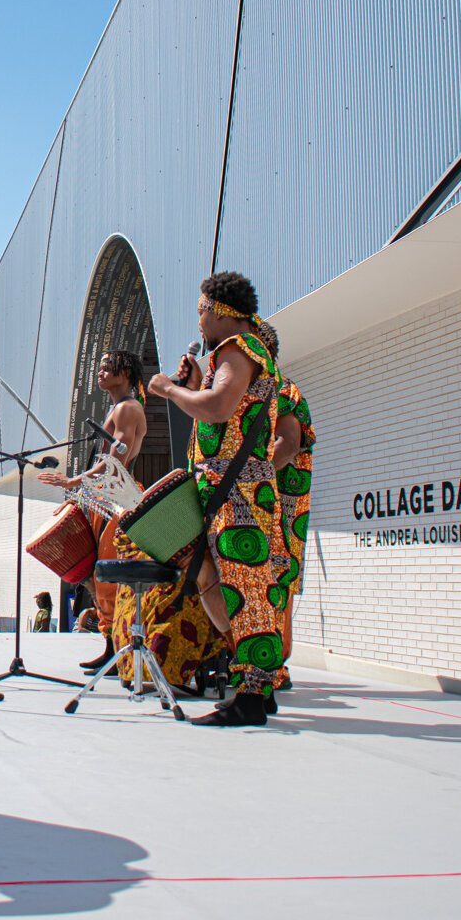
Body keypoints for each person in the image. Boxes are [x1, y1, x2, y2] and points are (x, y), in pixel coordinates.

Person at [147, 271, 287, 727]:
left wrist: (170, 389)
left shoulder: (237, 350)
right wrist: (196, 384)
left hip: (237, 491)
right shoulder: (245, 353)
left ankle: (251, 694)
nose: (199, 323)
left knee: (243, 588)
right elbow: (221, 406)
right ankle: (256, 687)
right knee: (223, 582)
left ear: (218, 312)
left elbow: (218, 408)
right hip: (238, 488)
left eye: (200, 312)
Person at [39, 349, 152, 671]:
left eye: (107, 367)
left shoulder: (129, 408)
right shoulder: (118, 408)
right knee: (95, 575)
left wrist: (73, 481)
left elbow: (115, 462)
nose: (101, 372)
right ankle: (111, 646)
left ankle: (116, 649)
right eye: (100, 368)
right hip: (105, 499)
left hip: (118, 500)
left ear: (125, 371)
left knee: (108, 577)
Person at [254, 321, 315, 695]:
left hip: (279, 507)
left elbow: (288, 444)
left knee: (273, 581)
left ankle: (272, 667)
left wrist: (251, 476)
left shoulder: (282, 389)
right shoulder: (258, 390)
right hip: (261, 502)